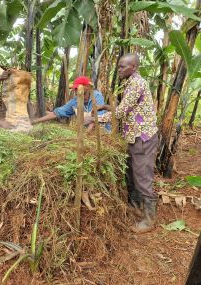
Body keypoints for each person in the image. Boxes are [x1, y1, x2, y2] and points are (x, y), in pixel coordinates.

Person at [97, 54, 158, 234]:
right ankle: (137, 207)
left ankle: (149, 220)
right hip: (134, 136)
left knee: (142, 176)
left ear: (133, 67)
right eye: (119, 67)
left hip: (143, 137)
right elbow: (126, 109)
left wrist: (95, 119)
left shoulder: (137, 84)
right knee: (131, 173)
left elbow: (122, 111)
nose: (120, 70)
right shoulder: (131, 83)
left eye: (123, 67)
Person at [31, 76, 110, 131]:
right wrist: (34, 122)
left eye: (84, 93)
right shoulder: (74, 102)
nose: (76, 91)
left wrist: (86, 136)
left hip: (102, 134)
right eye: (76, 90)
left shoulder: (97, 96)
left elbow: (98, 119)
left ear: (88, 88)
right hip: (86, 136)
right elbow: (56, 114)